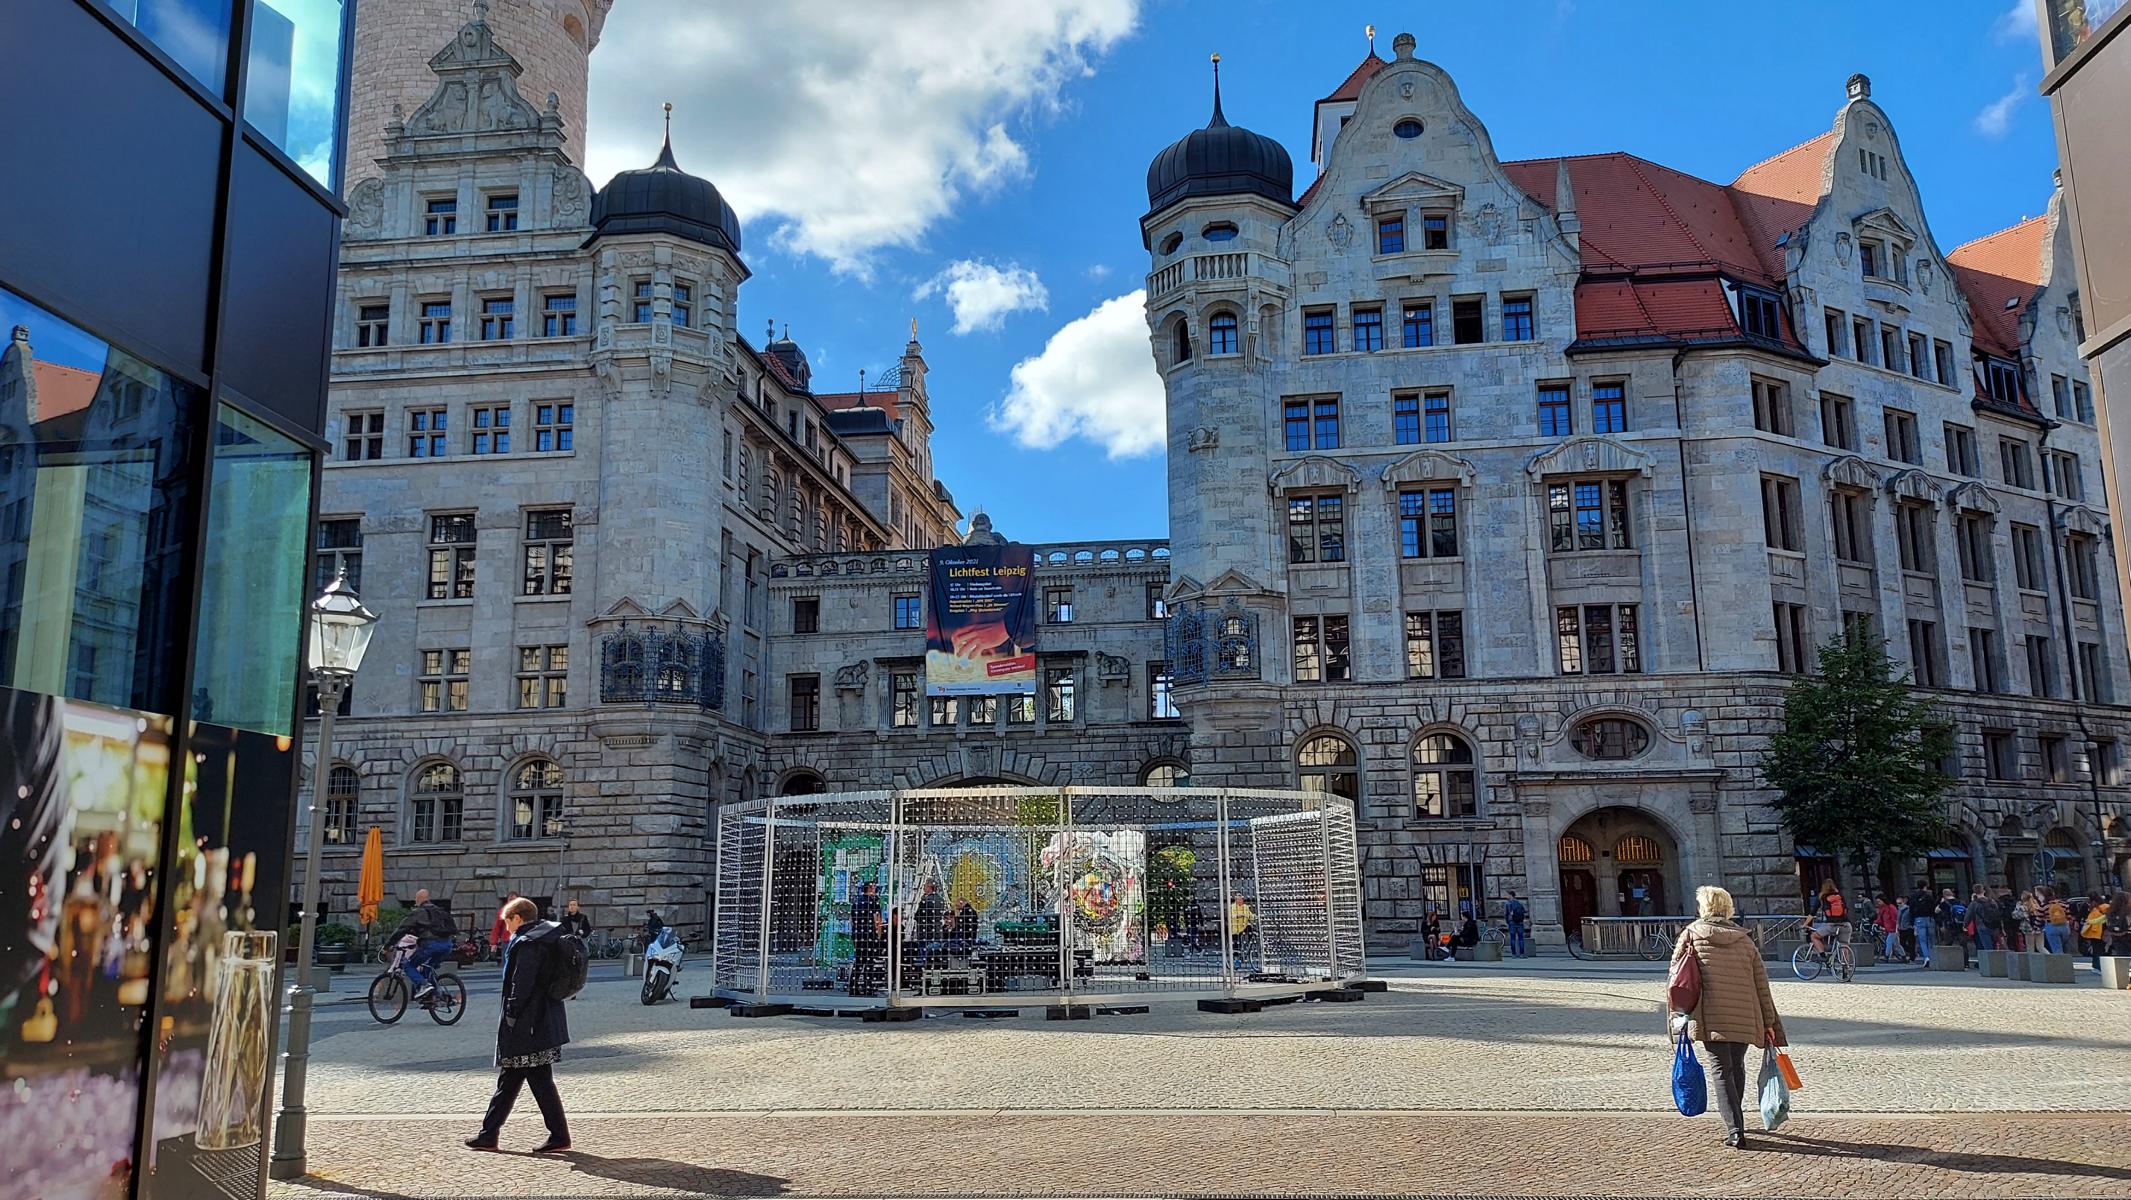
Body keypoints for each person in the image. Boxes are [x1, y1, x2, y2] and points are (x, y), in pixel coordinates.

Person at [1669, 885, 1786, 1150]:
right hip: (1745, 1015)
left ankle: (1735, 1130)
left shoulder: (1691, 935)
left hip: (1711, 1016)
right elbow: (1761, 986)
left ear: (1703, 908)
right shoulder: (1745, 940)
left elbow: (1676, 980)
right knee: (1736, 1065)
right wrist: (1768, 1022)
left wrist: (1678, 1017)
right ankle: (1737, 1120)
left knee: (1721, 1070)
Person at [465, 897, 570, 1154]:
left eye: (507, 921)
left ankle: (555, 1136)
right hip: (542, 1020)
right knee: (519, 1079)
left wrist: (511, 1013)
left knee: (526, 1079)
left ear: (518, 918)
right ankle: (490, 1134)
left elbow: (521, 983)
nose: (506, 928)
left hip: (527, 1023)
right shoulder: (544, 938)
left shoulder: (528, 943)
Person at [392, 888, 458, 1001]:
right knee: (428, 968)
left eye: (415, 900)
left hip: (430, 945)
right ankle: (436, 996)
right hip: (447, 945)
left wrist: (388, 945)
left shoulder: (419, 912)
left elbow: (401, 929)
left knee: (408, 965)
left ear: (418, 899)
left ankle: (424, 986)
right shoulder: (440, 911)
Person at [848, 883, 884, 996]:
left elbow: (852, 919)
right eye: (873, 887)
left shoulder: (856, 902)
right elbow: (877, 920)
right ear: (870, 889)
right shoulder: (873, 902)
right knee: (869, 962)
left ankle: (853, 987)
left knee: (858, 962)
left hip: (858, 935)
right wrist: (879, 935)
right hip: (869, 935)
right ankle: (868, 987)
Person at [1807, 880, 1847, 956]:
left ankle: (1823, 956)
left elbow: (1812, 913)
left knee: (1814, 936)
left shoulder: (1823, 897)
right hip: (1845, 924)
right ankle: (1846, 966)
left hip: (1832, 924)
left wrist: (1805, 924)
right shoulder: (1840, 896)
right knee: (1844, 945)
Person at [1906, 880, 1938, 967]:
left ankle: (1926, 957)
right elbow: (1933, 907)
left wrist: (1912, 922)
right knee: (1932, 939)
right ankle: (1934, 957)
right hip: (1929, 918)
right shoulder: (1929, 896)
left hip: (1918, 919)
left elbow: (1911, 910)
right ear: (1925, 886)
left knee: (1922, 940)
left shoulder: (1914, 896)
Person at [2079, 891, 2109, 969]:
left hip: (2093, 931)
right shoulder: (2105, 906)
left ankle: (2096, 966)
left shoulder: (2092, 908)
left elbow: (2088, 919)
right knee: (2101, 949)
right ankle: (2100, 966)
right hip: (2102, 930)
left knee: (2096, 949)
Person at [1967, 885, 2001, 953]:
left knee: (1987, 945)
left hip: (1982, 924)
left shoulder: (1975, 903)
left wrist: (1965, 925)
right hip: (1994, 925)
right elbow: (1998, 912)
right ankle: (1995, 958)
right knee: (1993, 943)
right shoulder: (1992, 901)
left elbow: (1968, 915)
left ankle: (1990, 960)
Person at [2043, 889, 2072, 955]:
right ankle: (2068, 962)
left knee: (2056, 948)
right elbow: (2069, 915)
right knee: (2066, 946)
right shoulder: (2063, 904)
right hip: (2064, 926)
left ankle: (2061, 964)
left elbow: (2040, 917)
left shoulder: (2045, 906)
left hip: (2051, 926)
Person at [2104, 888, 2131, 958]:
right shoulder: (2128, 912)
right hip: (2128, 938)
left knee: (2123, 959)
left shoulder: (2110, 913)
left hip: (2117, 941)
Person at [1503, 891, 1530, 958]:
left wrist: (1507, 921)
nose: (1507, 896)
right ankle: (1522, 954)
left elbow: (1506, 914)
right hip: (1520, 922)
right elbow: (1524, 911)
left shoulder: (1507, 903)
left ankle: (1514, 954)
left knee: (1513, 939)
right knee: (1521, 938)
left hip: (1511, 922)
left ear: (1511, 895)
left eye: (1508, 895)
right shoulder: (1520, 903)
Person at [490, 892, 517, 958]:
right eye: (511, 900)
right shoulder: (503, 911)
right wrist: (494, 943)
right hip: (507, 941)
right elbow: (497, 927)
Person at [1875, 894, 1901, 962]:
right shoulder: (1883, 908)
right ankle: (1902, 955)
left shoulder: (1891, 908)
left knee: (1889, 942)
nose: (1878, 903)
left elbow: (1894, 919)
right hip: (1888, 928)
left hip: (1892, 928)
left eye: (1879, 901)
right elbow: (1880, 919)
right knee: (1896, 944)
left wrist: (1895, 927)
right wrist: (1876, 923)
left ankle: (1886, 956)